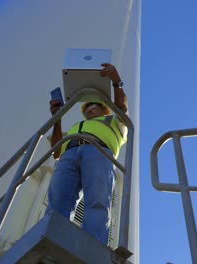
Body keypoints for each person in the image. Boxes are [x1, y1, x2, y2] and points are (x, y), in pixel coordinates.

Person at [46, 63, 128, 246]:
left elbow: (122, 108)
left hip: (98, 151)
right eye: (87, 108)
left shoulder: (114, 122)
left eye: (95, 106)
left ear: (105, 109)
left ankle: (93, 248)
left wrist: (116, 82)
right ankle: (52, 243)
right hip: (69, 154)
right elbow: (57, 151)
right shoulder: (76, 127)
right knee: (58, 200)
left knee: (98, 201)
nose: (89, 109)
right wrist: (57, 118)